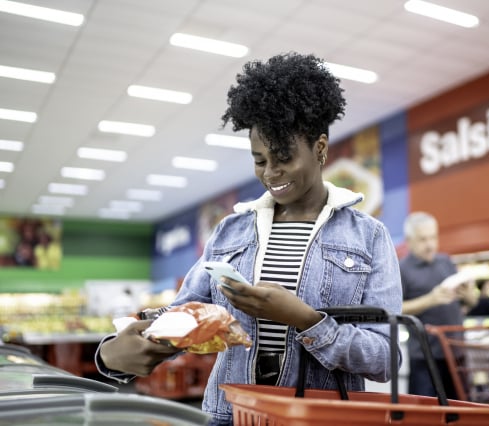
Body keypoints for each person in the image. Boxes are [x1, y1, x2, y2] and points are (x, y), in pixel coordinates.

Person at [95, 52, 403, 425]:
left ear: (320, 148)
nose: (271, 173)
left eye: (283, 158)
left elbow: (385, 358)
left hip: (320, 417)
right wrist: (117, 351)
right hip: (231, 415)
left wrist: (305, 319)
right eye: (259, 160)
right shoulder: (230, 231)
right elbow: (184, 315)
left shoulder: (369, 237)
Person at [399, 212, 478, 399]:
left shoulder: (445, 262)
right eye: (423, 239)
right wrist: (431, 299)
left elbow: (471, 302)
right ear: (409, 241)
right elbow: (395, 309)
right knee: (424, 416)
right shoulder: (402, 269)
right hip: (425, 358)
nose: (430, 245)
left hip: (456, 352)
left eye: (433, 237)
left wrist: (469, 296)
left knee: (461, 411)